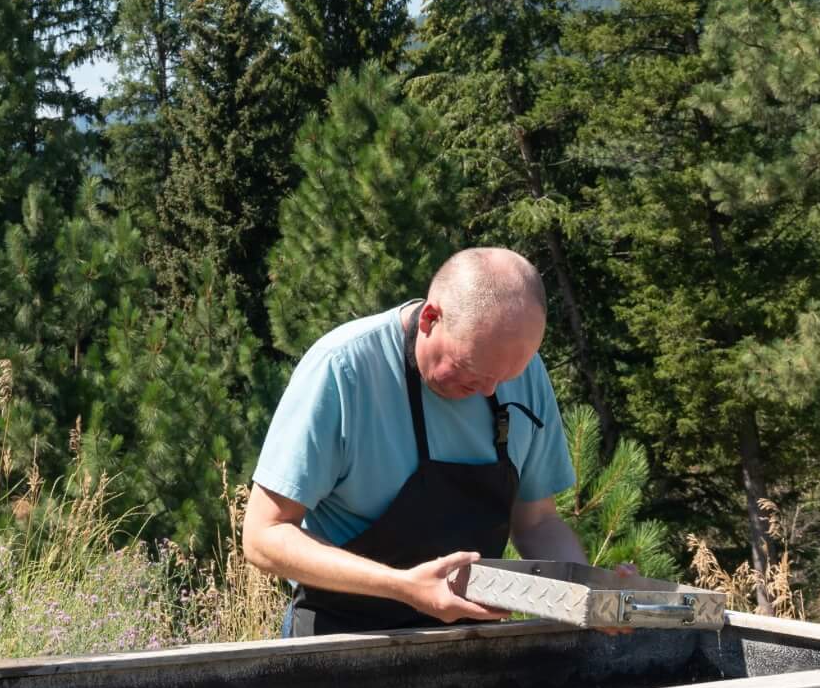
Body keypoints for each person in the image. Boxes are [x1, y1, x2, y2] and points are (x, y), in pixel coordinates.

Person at [244, 247, 611, 635]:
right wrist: (404, 587)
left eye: (504, 378)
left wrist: (589, 595)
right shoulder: (344, 370)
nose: (488, 389)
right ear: (431, 318)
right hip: (340, 640)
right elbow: (263, 536)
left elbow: (536, 522)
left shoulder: (521, 372)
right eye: (470, 369)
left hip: (467, 644)